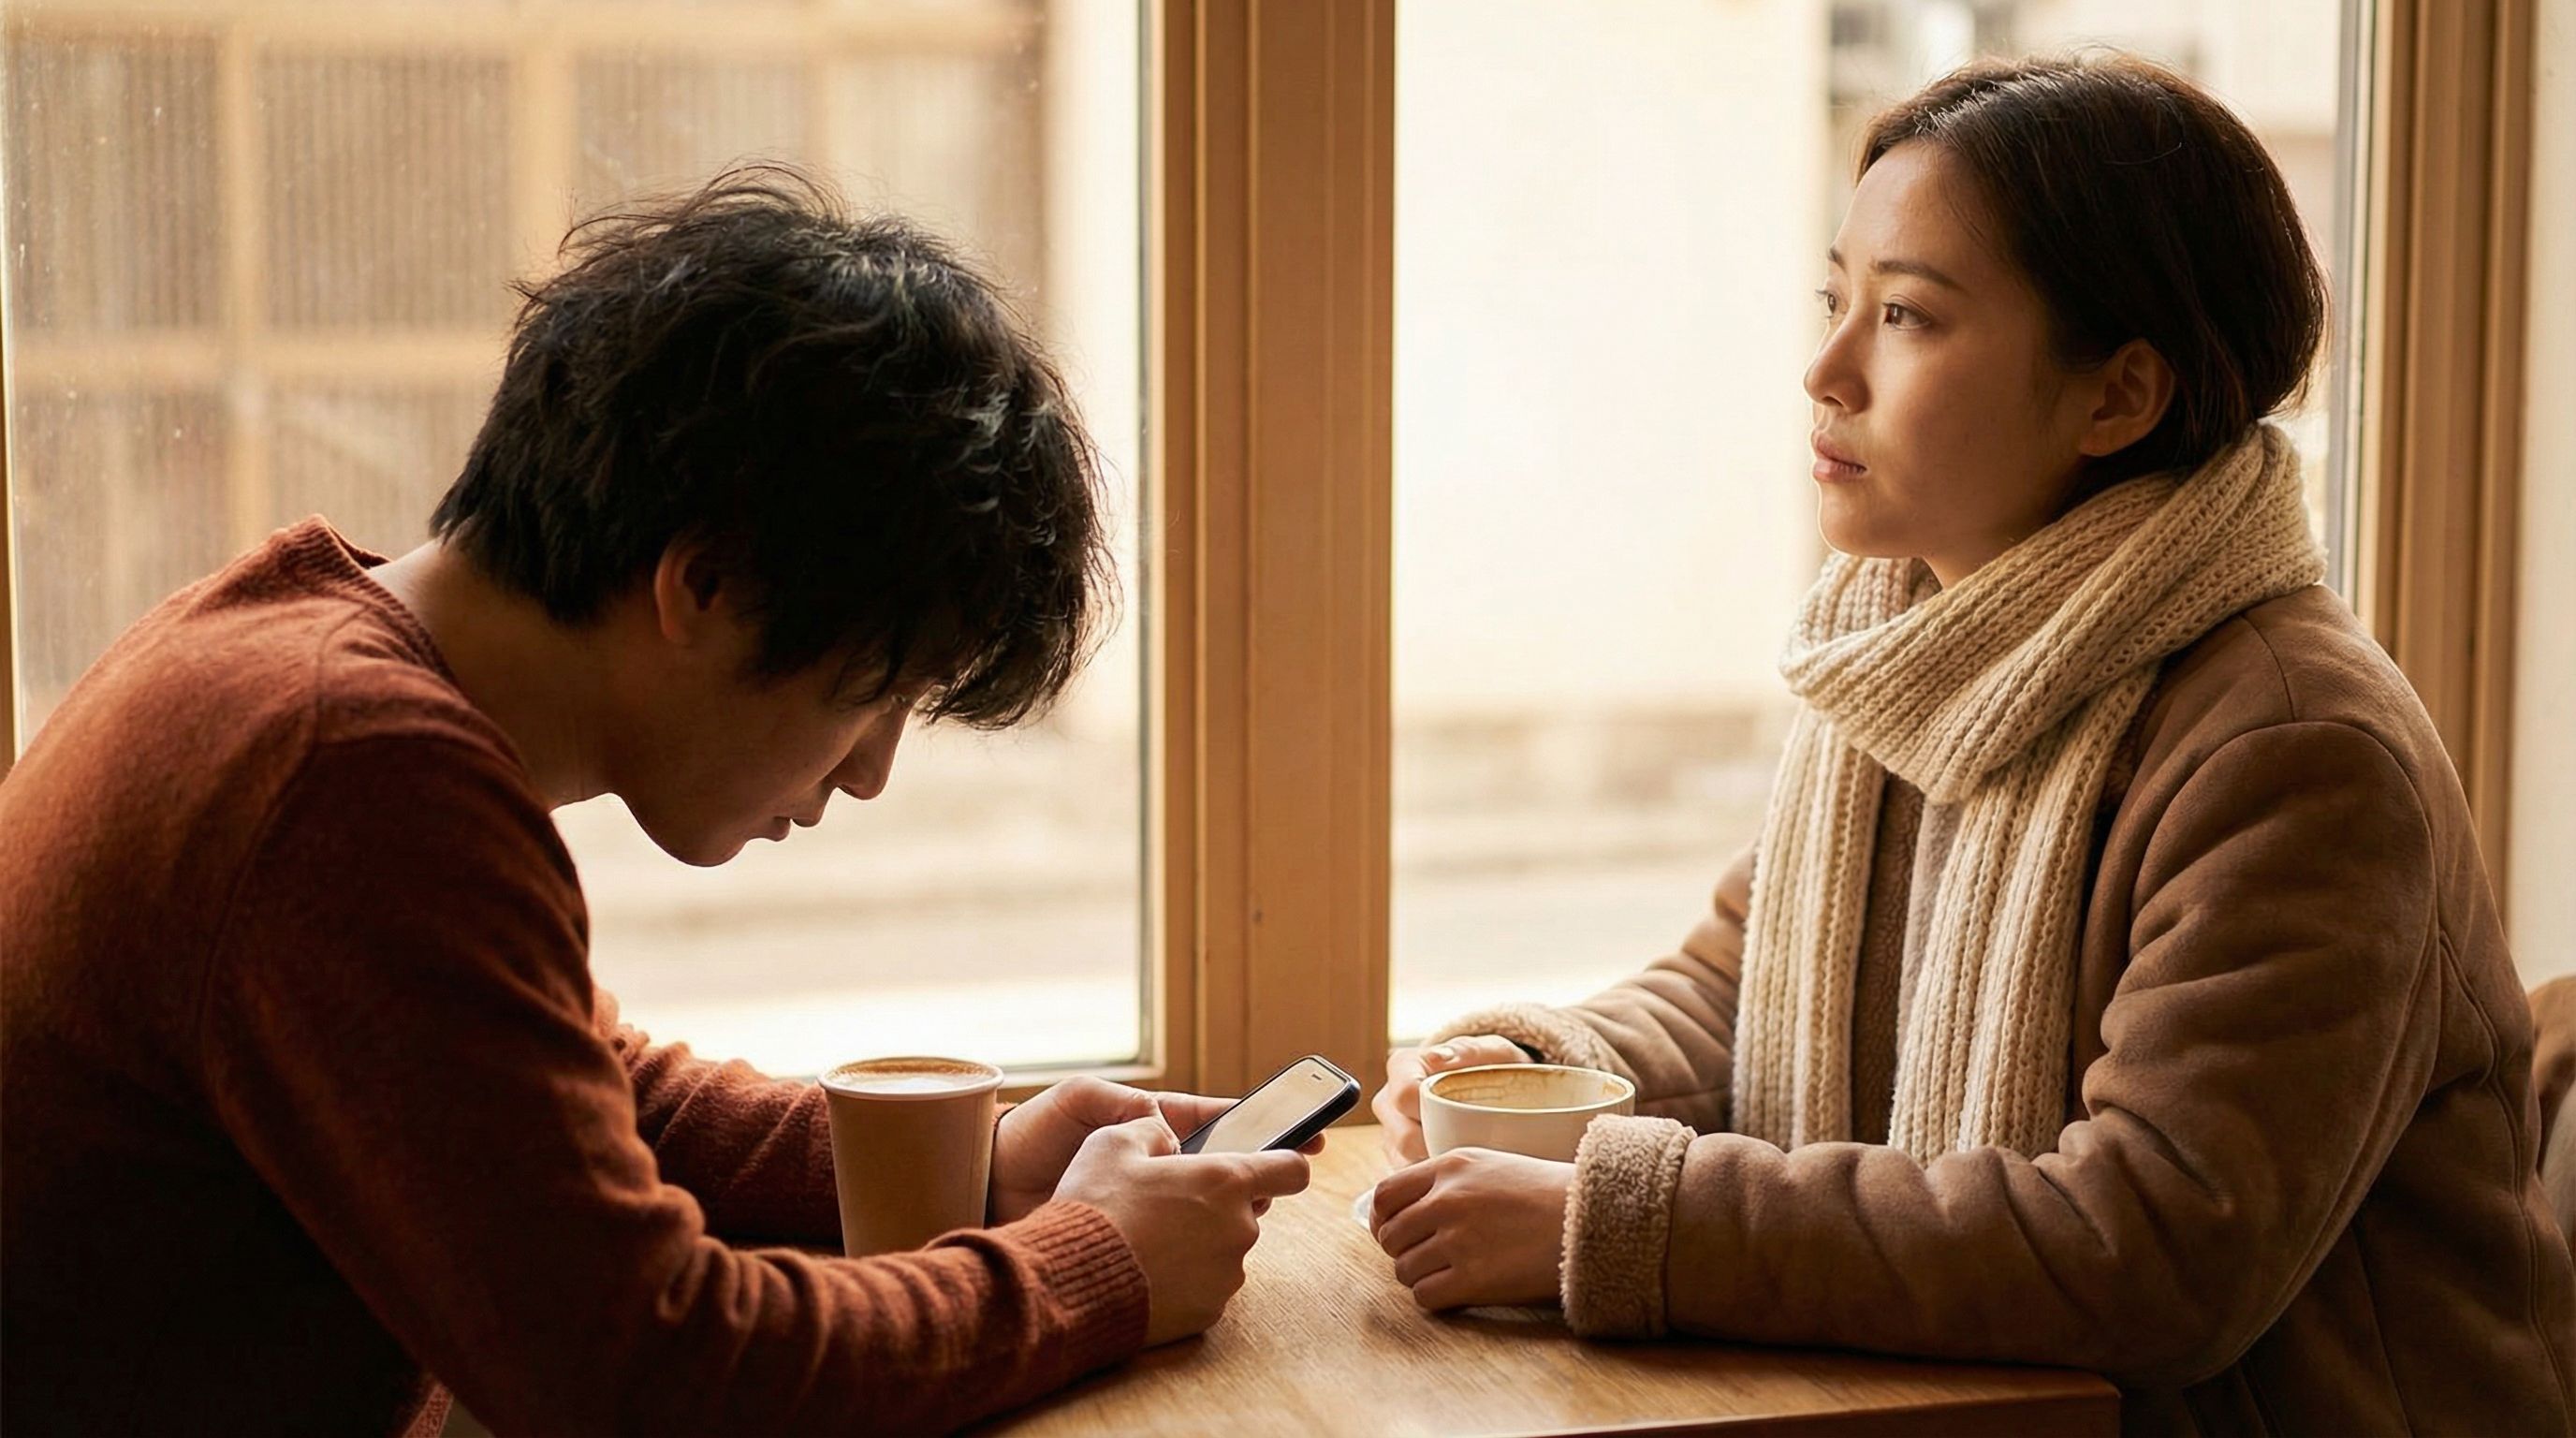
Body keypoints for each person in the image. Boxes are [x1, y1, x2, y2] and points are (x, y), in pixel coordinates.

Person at [1367, 54, 2575, 1434]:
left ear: (2117, 397)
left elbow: (2150, 1249)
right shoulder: (1921, 648)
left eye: (1905, 317)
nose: (1825, 372)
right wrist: (1534, 1067)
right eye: (1836, 300)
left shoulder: (2297, 754)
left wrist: (1627, 1220)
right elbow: (1739, 992)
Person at [0, 168, 1310, 1436]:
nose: (869, 771)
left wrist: (984, 1164)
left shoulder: (289, 650)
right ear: (705, 586)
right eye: (876, 692)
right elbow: (646, 1372)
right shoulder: (349, 773)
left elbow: (566, 1096)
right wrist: (1097, 1272)